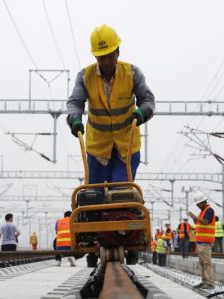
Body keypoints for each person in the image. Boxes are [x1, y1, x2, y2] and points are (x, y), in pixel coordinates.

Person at [66, 25, 154, 266]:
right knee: (93, 197)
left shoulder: (132, 73)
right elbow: (75, 102)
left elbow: (148, 99)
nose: (106, 61)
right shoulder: (85, 76)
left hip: (126, 147)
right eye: (101, 57)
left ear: (118, 51)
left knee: (120, 196)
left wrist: (142, 113)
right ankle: (93, 244)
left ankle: (129, 238)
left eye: (109, 55)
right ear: (95, 56)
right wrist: (74, 119)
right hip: (97, 148)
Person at [189, 191, 216, 289]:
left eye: (198, 204)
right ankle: (204, 281)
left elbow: (205, 221)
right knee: (202, 262)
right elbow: (198, 223)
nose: (197, 206)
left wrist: (195, 217)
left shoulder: (209, 210)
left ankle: (209, 282)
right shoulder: (202, 211)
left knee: (206, 262)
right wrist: (194, 218)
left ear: (203, 202)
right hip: (201, 241)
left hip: (206, 241)